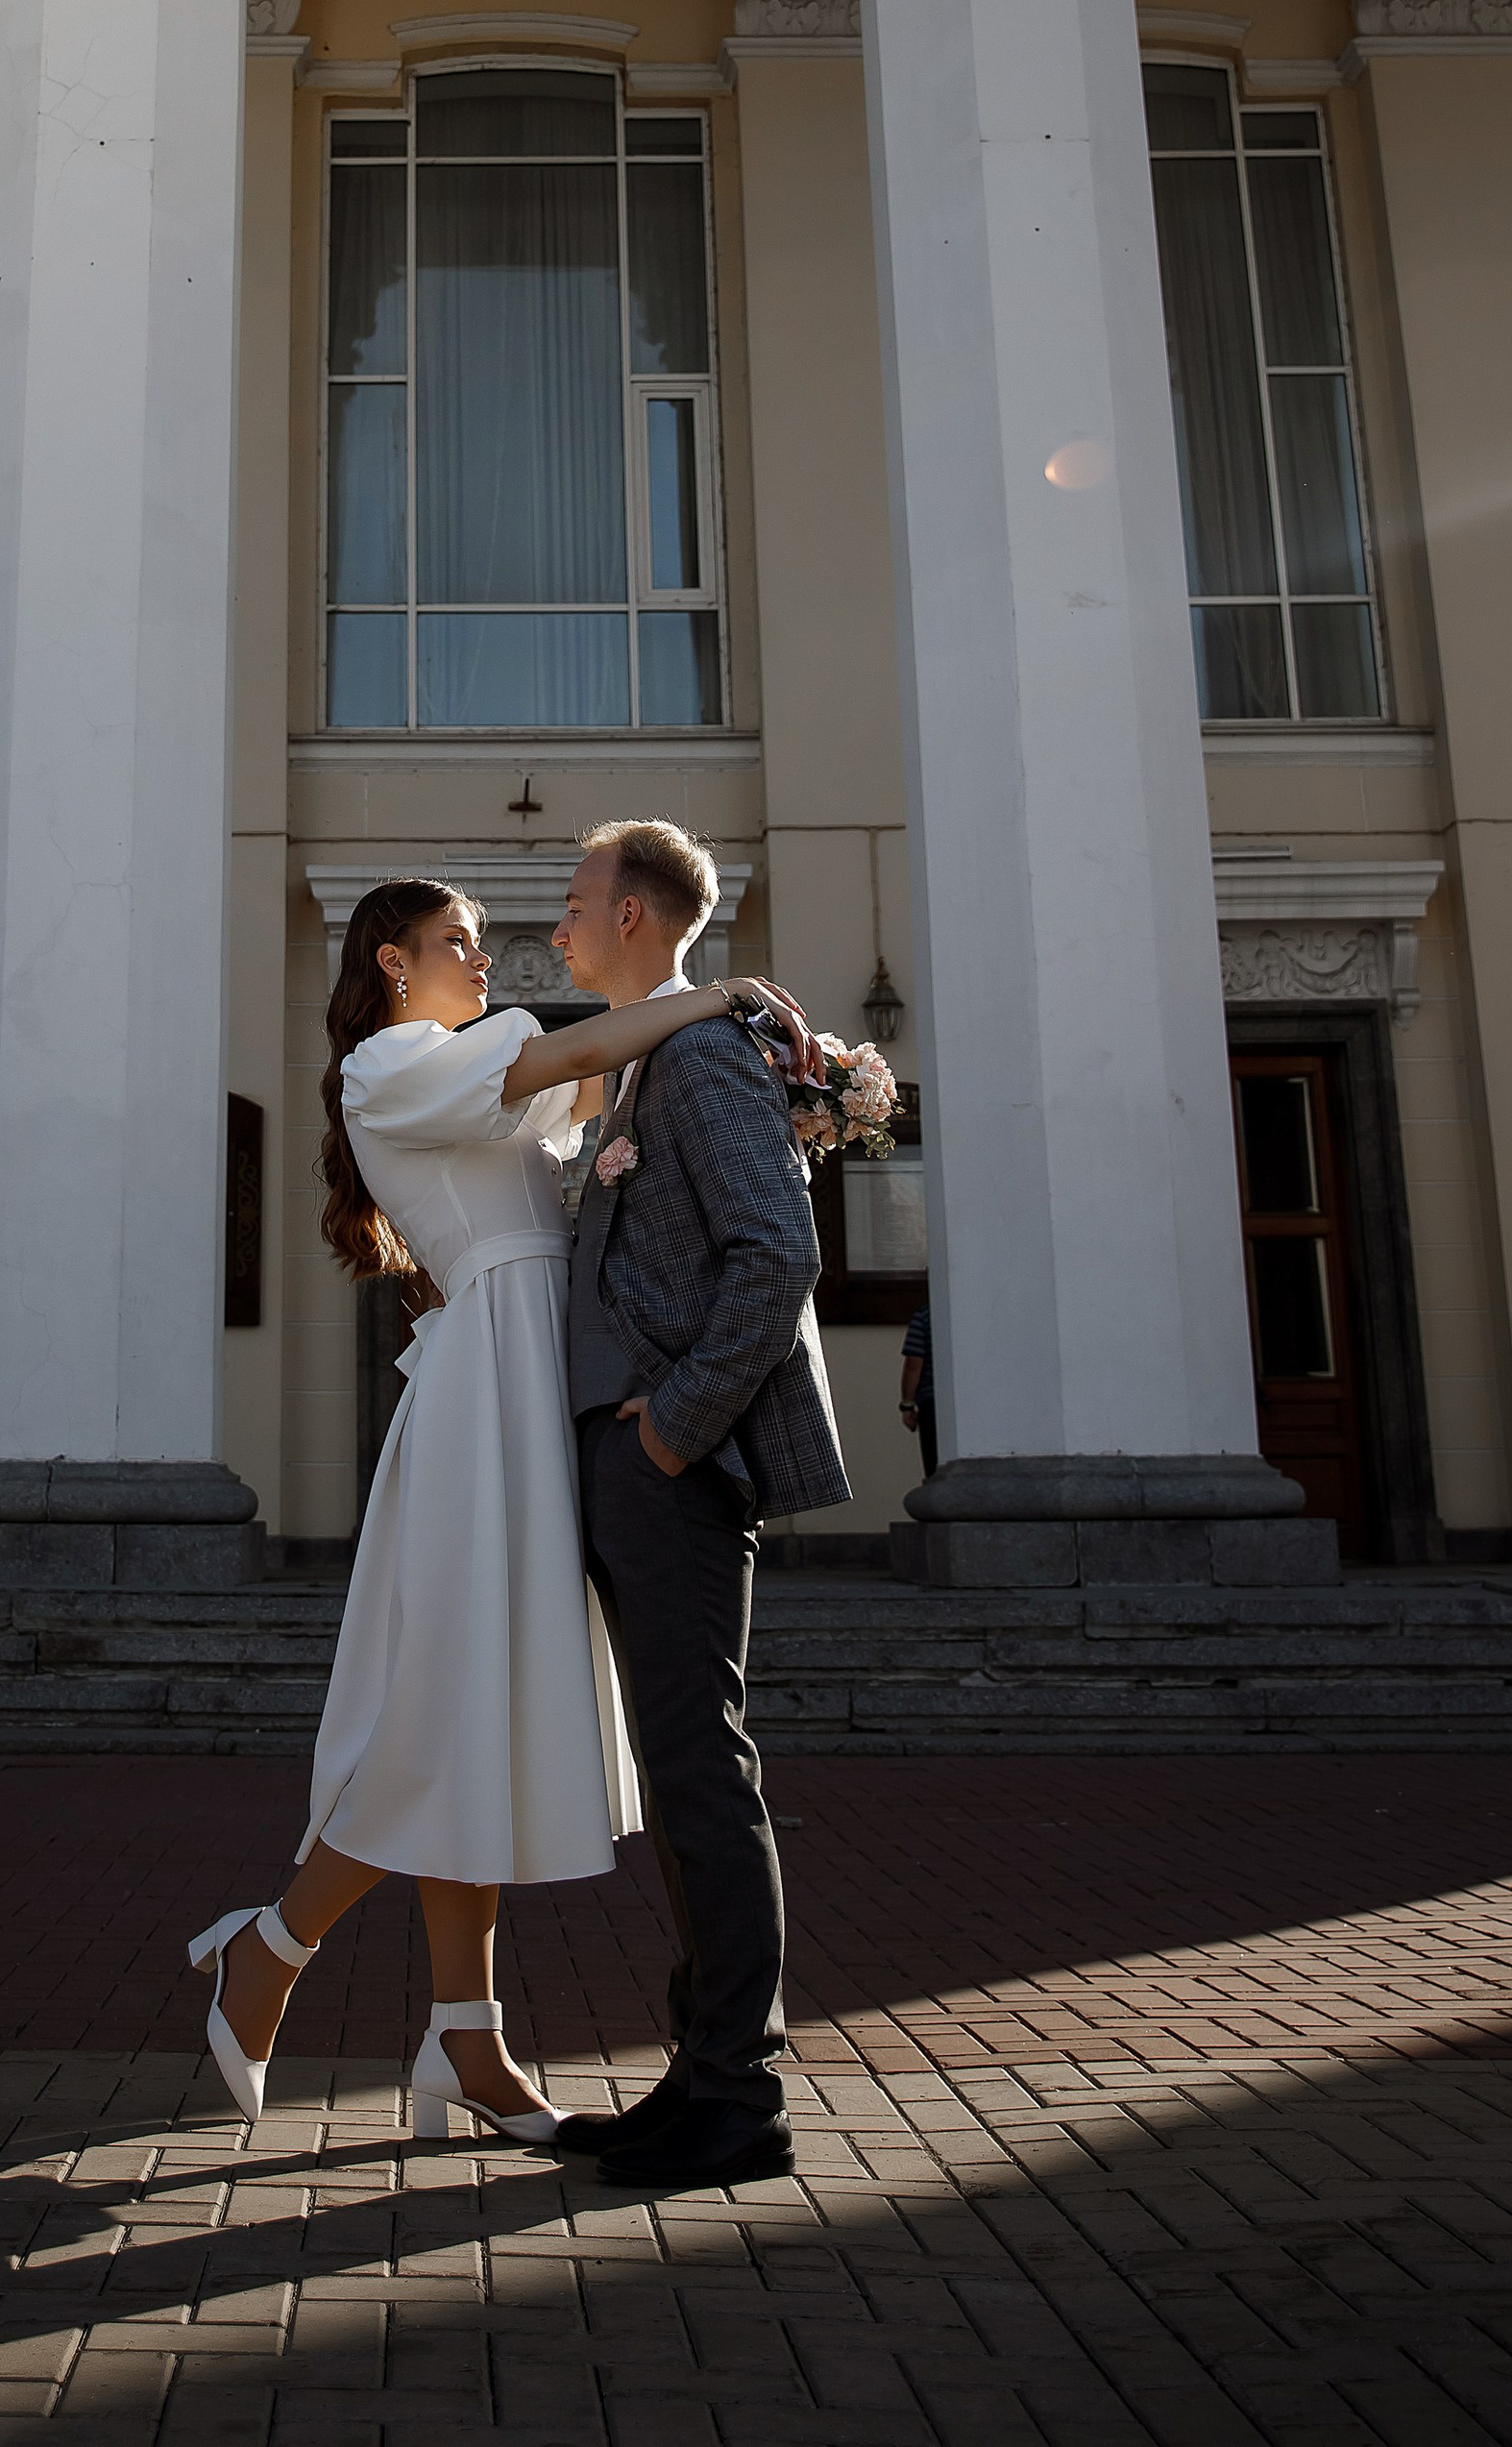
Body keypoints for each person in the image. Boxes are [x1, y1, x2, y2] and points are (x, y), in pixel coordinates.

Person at [187, 873, 823, 2146]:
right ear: (386, 963)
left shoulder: (472, 1061)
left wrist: (788, 1082)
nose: (484, 963)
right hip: (490, 1391)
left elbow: (611, 1087)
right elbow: (590, 1047)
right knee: (445, 1712)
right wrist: (727, 993)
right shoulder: (394, 1063)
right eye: (457, 945)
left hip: (541, 1383)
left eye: (480, 945)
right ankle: (270, 1944)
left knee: (480, 1718)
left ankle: (464, 2039)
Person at [549, 820, 851, 2193]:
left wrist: (669, 1434)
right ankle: (702, 2076)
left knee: (701, 1772)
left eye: (571, 899)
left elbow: (777, 1253)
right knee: (679, 1778)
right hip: (634, 1467)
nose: (553, 926)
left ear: (632, 917)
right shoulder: (641, 1063)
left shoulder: (697, 1057)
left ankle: (738, 2094)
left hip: (672, 1468)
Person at [898, 1292, 938, 1477]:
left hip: (932, 1403)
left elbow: (914, 1363)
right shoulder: (975, 1314)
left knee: (935, 1472)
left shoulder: (926, 1315)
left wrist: (907, 1404)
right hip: (973, 1403)